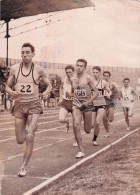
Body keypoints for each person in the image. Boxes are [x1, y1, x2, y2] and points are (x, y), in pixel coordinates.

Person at [6, 43, 52, 177]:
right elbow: (7, 86)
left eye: (27, 52)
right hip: (19, 105)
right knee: (20, 139)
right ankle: (28, 135)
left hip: (34, 105)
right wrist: (11, 92)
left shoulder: (38, 70)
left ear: (33, 54)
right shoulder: (14, 69)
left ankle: (23, 167)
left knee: (30, 135)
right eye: (22, 52)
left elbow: (48, 85)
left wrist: (46, 92)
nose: (24, 55)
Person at [70, 59, 98, 158]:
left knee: (87, 130)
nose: (78, 67)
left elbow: (96, 92)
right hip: (76, 105)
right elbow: (72, 91)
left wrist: (88, 102)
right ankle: (81, 150)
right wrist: (72, 95)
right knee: (76, 125)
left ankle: (89, 128)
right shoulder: (72, 78)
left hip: (87, 105)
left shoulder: (88, 78)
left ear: (85, 68)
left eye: (81, 66)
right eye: (77, 65)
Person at [92, 66, 112, 146]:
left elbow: (109, 91)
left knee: (97, 122)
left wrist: (108, 95)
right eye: (94, 72)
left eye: (97, 72)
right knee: (91, 125)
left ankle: (94, 139)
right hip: (92, 104)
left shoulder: (103, 82)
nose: (95, 74)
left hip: (101, 104)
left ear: (100, 73)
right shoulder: (90, 81)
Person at [102, 71, 119, 137]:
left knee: (111, 119)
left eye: (107, 76)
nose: (106, 77)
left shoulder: (112, 84)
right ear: (103, 76)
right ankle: (107, 132)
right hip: (102, 102)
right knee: (104, 117)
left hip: (110, 102)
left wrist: (115, 99)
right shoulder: (101, 83)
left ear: (109, 77)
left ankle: (109, 118)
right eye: (104, 75)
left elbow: (117, 92)